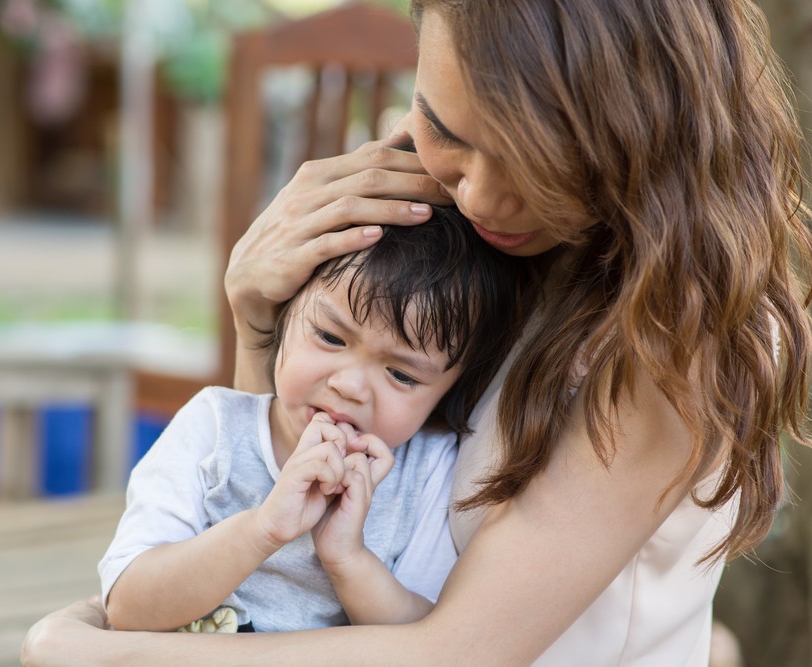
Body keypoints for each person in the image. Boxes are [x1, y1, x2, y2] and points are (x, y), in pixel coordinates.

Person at [23, 0, 812, 664]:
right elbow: (279, 538)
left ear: (631, 137)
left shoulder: (679, 340)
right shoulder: (483, 242)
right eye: (445, 128)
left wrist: (90, 648)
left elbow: (455, 651)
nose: (480, 196)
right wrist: (260, 325)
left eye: (537, 163)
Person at [100, 207, 524, 633]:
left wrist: (347, 558)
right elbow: (126, 606)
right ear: (285, 314)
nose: (350, 385)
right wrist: (264, 529)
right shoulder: (216, 427)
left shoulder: (428, 471)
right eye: (330, 336)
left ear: (447, 392)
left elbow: (427, 639)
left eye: (401, 374)